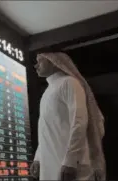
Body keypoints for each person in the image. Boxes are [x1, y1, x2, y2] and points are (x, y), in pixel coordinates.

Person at [29, 52, 106, 181]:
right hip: (51, 165)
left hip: (71, 166)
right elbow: (46, 130)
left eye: (40, 61)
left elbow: (79, 121)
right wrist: (38, 158)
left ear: (54, 62)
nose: (36, 66)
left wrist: (71, 160)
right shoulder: (47, 92)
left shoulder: (70, 83)